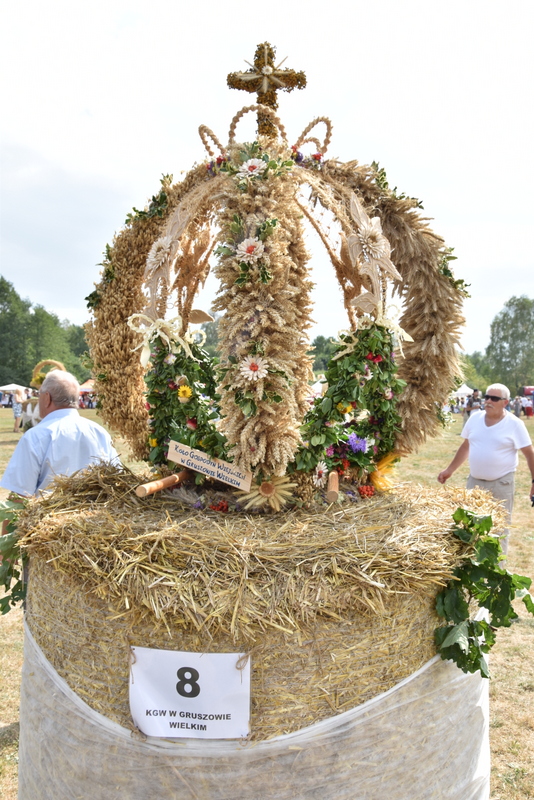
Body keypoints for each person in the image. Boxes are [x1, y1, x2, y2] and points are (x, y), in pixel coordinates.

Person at [437, 383, 534, 555]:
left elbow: (529, 454)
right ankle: (473, 573)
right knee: (470, 528)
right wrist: (449, 470)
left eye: (494, 398)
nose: (488, 401)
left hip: (501, 485)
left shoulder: (515, 424)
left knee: (498, 531)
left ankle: (496, 576)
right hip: (474, 483)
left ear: (505, 402)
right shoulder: (475, 419)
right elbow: (466, 446)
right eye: (487, 397)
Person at [0, 370, 119, 498]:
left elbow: (20, 496)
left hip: (48, 516)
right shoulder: (99, 432)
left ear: (47, 398)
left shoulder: (36, 436)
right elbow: (117, 479)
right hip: (97, 515)